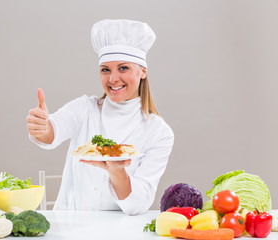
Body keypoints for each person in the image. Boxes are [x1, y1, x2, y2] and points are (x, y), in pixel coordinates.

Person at [26, 19, 174, 215]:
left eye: (123, 68)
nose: (113, 79)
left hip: (120, 231)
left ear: (143, 71)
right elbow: (53, 130)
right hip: (70, 226)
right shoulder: (85, 108)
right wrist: (43, 128)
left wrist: (116, 171)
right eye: (105, 70)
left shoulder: (159, 133)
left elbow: (137, 205)